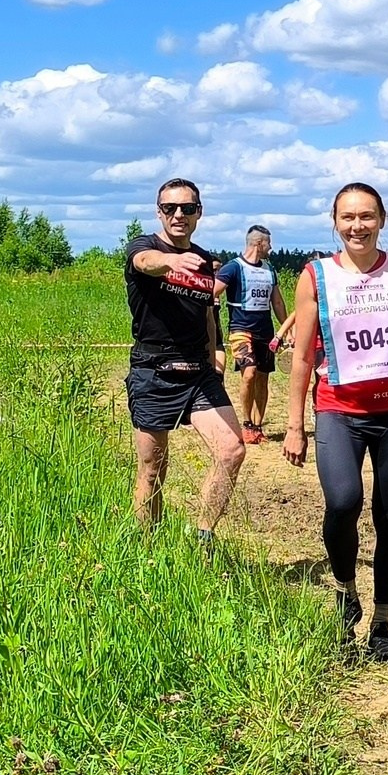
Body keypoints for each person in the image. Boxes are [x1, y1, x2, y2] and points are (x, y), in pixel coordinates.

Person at [282, 183, 388, 664]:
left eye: (367, 216)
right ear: (335, 223)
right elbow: (300, 358)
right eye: (348, 217)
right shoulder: (315, 276)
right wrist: (295, 424)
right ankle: (345, 593)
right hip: (338, 408)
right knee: (342, 502)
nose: (357, 226)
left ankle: (382, 623)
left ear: (382, 219)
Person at [123, 177, 247, 545]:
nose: (179, 214)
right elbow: (146, 262)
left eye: (187, 208)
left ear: (199, 213)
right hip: (154, 370)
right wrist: (172, 260)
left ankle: (202, 538)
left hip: (198, 372)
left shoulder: (205, 262)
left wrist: (216, 356)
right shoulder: (145, 247)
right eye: (170, 208)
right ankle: (147, 549)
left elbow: (208, 316)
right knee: (153, 469)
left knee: (232, 451)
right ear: (159, 212)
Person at [223, 224, 287, 445]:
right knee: (248, 373)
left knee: (262, 378)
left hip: (265, 333)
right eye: (269, 243)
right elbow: (213, 290)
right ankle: (246, 423)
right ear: (259, 243)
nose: (271, 247)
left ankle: (258, 427)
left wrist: (287, 329)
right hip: (240, 330)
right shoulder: (233, 267)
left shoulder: (269, 270)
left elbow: (277, 302)